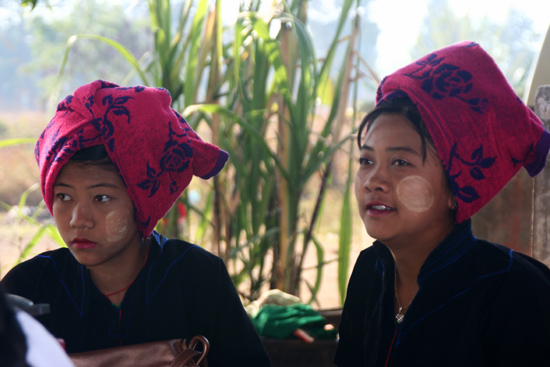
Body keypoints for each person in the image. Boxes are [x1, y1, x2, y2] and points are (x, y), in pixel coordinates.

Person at [1, 80, 271, 367]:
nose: (78, 219)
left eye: (102, 197)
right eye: (64, 196)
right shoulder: (29, 288)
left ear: (142, 201)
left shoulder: (198, 278)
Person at [334, 41, 550, 366]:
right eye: (366, 160)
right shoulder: (371, 270)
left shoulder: (515, 292)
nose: (372, 180)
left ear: (456, 188)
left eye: (400, 163)